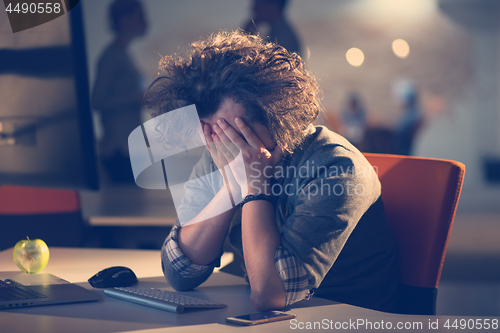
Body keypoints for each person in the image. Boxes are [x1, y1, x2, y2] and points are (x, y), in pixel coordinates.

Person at [146, 30, 399, 313]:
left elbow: (269, 295)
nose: (221, 145)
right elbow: (179, 273)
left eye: (235, 133)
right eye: (211, 133)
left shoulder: (336, 168)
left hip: (348, 320)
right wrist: (230, 189)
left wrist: (255, 188)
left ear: (277, 118)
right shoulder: (221, 155)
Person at [92, 0, 147, 182]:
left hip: (127, 147)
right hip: (118, 148)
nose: (144, 21)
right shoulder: (111, 57)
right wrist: (137, 98)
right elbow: (97, 101)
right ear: (124, 19)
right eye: (139, 16)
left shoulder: (123, 54)